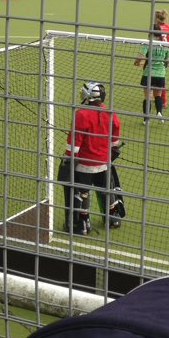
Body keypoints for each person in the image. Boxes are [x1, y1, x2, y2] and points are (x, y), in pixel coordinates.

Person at [58, 82, 122, 235]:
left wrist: (68, 158)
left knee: (82, 192)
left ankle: (83, 224)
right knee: (106, 189)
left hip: (84, 164)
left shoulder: (81, 114)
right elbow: (115, 140)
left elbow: (75, 141)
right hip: (104, 162)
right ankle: (113, 218)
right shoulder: (110, 113)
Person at [135, 28, 169, 121]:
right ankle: (159, 113)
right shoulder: (166, 45)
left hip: (148, 74)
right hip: (160, 74)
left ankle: (146, 119)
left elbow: (140, 57)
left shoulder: (148, 43)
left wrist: (137, 62)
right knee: (158, 95)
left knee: (148, 97)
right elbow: (167, 61)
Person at [153, 9, 169, 109]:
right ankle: (160, 98)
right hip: (166, 54)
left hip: (157, 55)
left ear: (157, 18)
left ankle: (163, 101)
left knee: (158, 78)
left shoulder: (156, 28)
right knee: (161, 77)